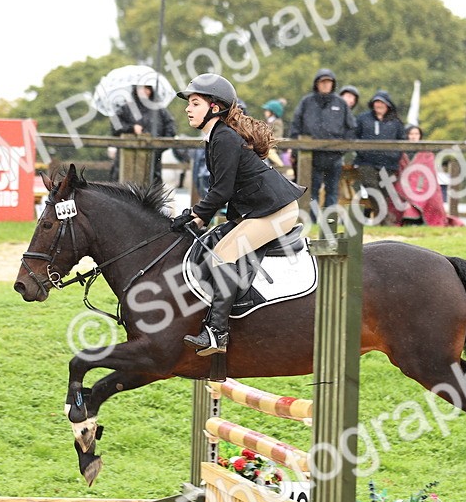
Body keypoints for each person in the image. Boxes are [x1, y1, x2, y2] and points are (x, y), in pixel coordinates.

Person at [170, 74, 305, 356]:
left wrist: (198, 216)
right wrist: (199, 215)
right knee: (219, 244)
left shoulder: (224, 138)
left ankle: (217, 333)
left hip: (276, 210)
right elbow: (223, 190)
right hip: (261, 208)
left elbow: (221, 190)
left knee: (224, 253)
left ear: (215, 107)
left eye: (195, 103)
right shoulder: (216, 137)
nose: (187, 108)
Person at [288, 68, 355, 211]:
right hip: (311, 157)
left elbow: (351, 128)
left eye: (328, 82)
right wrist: (296, 150)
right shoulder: (306, 102)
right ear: (317, 84)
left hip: (334, 157)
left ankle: (329, 222)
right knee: (312, 192)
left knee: (332, 192)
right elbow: (295, 126)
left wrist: (342, 148)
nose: (325, 85)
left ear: (333, 84)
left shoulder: (341, 104)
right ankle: (312, 221)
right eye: (322, 82)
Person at [111, 74, 176, 193]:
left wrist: (158, 147)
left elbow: (170, 129)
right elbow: (115, 126)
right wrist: (131, 128)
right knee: (123, 192)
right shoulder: (125, 108)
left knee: (151, 193)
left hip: (153, 159)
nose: (144, 91)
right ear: (135, 89)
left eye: (147, 88)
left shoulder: (159, 110)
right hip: (126, 160)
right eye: (141, 88)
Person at [352, 90, 406, 223]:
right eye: (376, 102)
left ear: (388, 105)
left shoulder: (396, 122)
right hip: (366, 162)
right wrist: (362, 152)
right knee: (372, 189)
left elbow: (402, 141)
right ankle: (386, 220)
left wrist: (394, 156)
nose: (378, 105)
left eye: (381, 102)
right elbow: (354, 137)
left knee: (384, 193)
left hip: (389, 164)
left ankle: (381, 221)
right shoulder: (363, 118)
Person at [398, 124, 462, 227]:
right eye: (411, 134)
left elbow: (429, 173)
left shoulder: (426, 153)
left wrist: (419, 186)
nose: (414, 136)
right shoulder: (400, 153)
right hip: (403, 186)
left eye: (416, 134)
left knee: (432, 198)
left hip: (423, 185)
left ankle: (421, 220)